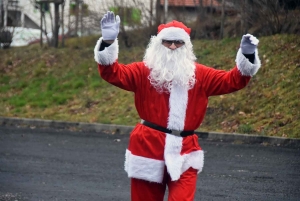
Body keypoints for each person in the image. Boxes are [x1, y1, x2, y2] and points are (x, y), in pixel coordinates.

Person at [94, 11, 261, 201]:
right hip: (148, 146)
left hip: (185, 150)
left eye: (178, 42)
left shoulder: (200, 75)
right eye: (168, 42)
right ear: (158, 44)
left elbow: (233, 80)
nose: (173, 46)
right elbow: (112, 73)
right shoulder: (142, 71)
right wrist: (107, 43)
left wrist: (247, 56)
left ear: (186, 46)